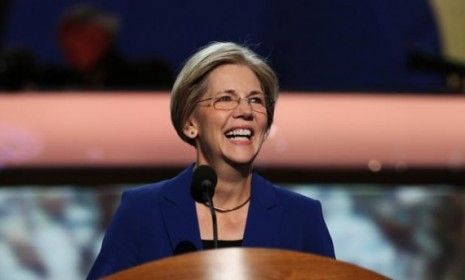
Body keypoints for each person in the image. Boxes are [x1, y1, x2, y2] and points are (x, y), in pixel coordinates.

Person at [87, 42, 335, 279]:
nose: (245, 111)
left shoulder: (301, 217)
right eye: (225, 99)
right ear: (190, 123)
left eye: (256, 100)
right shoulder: (142, 212)